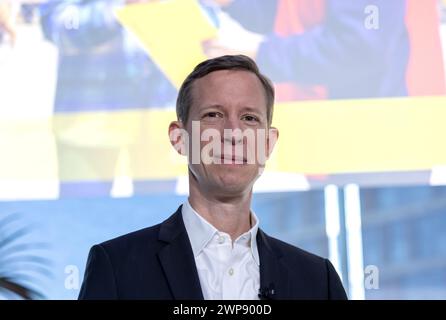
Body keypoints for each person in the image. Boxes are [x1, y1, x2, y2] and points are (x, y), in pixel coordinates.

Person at [78, 55, 347, 300]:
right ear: (179, 138)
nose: (233, 133)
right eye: (213, 115)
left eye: (249, 118)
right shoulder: (117, 267)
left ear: (268, 143)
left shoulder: (317, 281)